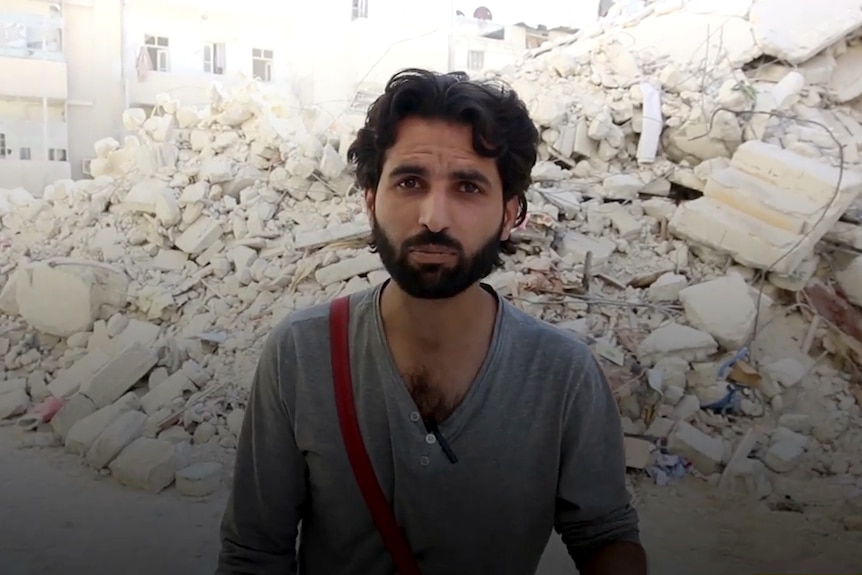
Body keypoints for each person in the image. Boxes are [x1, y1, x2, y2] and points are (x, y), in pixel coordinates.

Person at [216, 68, 646, 575]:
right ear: (372, 201)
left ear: (510, 214)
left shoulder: (562, 375)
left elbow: (604, 535)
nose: (434, 217)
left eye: (467, 187)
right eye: (410, 181)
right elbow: (254, 553)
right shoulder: (301, 353)